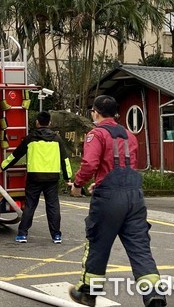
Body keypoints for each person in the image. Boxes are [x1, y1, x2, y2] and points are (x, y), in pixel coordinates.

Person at [69, 95, 166, 307]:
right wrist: (101, 182)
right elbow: (127, 166)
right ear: (116, 113)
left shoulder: (96, 134)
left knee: (98, 244)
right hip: (134, 195)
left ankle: (87, 292)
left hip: (110, 199)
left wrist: (78, 185)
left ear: (95, 112)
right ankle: (154, 295)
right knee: (139, 247)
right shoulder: (130, 136)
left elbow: (89, 164)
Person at [0, 111, 72, 244]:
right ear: (50, 123)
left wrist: (2, 167)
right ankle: (56, 235)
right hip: (52, 178)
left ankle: (23, 234)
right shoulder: (57, 139)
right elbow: (65, 159)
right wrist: (68, 177)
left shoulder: (30, 138)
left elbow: (15, 155)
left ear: (37, 123)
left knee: (30, 206)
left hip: (34, 178)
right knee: (53, 206)